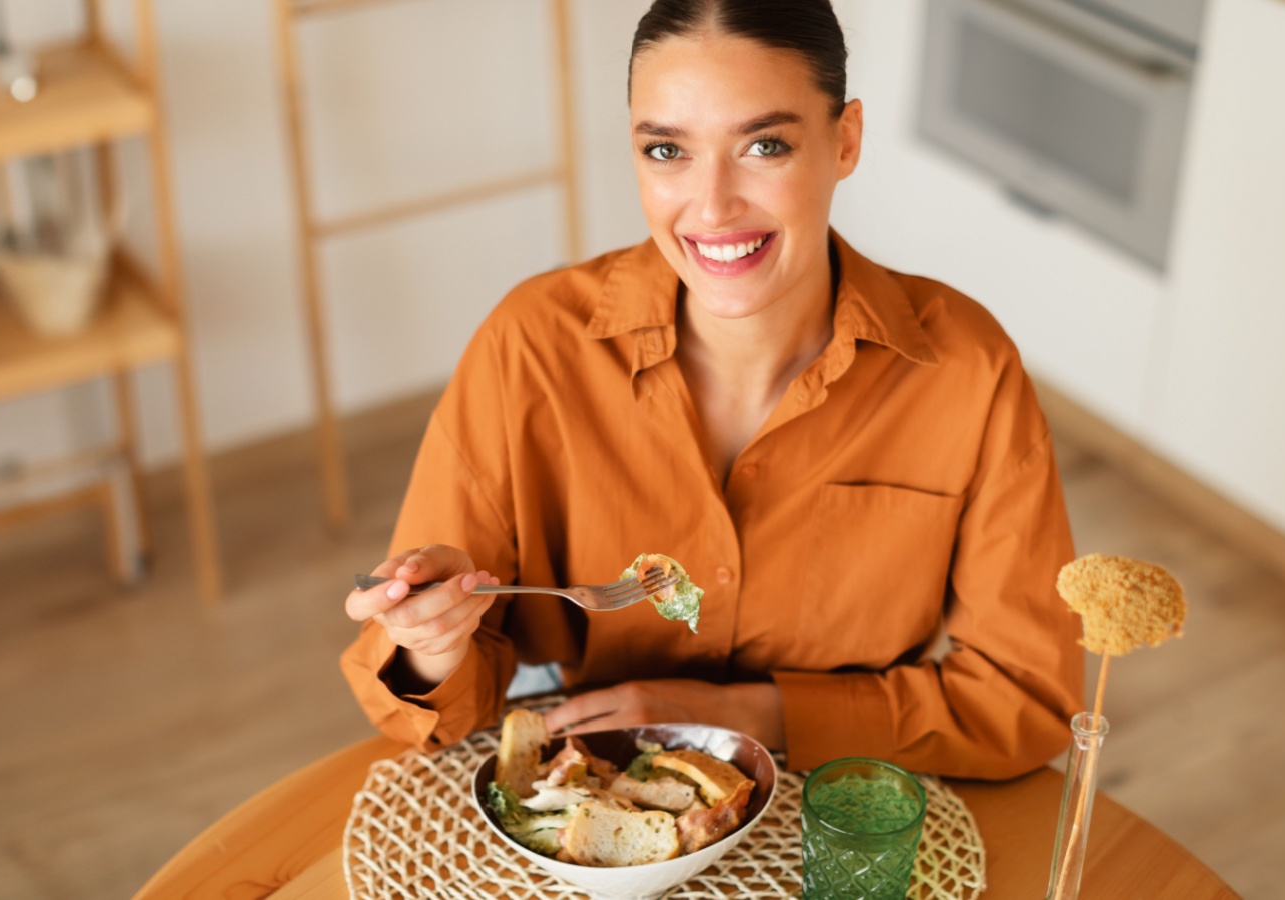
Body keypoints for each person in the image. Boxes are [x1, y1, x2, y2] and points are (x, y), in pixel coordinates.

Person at [341, 0, 1083, 778]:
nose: (713, 206)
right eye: (667, 151)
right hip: (589, 775)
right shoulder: (531, 344)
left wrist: (747, 715)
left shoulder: (965, 368)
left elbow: (1025, 700)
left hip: (841, 791)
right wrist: (434, 643)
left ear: (846, 140)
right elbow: (425, 709)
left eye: (765, 145)